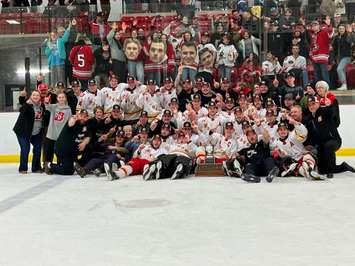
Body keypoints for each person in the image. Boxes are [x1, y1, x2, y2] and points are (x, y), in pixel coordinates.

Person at [304, 96, 355, 178]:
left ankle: (329, 171)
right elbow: (310, 134)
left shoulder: (324, 111)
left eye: (313, 104)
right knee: (322, 170)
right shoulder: (309, 118)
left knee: (328, 146)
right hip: (321, 145)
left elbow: (331, 112)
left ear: (318, 104)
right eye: (309, 105)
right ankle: (343, 166)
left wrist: (330, 105)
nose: (311, 106)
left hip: (334, 140)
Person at [49, 110, 91, 175]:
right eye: (81, 115)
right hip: (63, 150)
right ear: (78, 115)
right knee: (68, 171)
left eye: (85, 116)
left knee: (89, 147)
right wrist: (75, 117)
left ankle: (77, 164)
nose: (83, 118)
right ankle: (49, 165)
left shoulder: (86, 124)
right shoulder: (73, 121)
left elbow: (88, 136)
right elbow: (71, 123)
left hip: (73, 150)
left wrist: (84, 143)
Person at [13, 90, 44, 174]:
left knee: (38, 148)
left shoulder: (42, 106)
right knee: (25, 149)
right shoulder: (27, 105)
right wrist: (23, 98)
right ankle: (23, 168)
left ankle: (36, 168)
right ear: (31, 96)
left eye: (37, 95)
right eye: (33, 95)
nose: (35, 97)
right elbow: (22, 109)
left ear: (40, 97)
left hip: (36, 132)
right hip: (23, 132)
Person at [43, 93, 72, 175]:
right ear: (57, 99)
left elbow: (69, 122)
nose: (61, 98)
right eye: (59, 97)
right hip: (51, 134)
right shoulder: (54, 106)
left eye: (63, 97)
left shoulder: (68, 109)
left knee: (60, 152)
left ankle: (58, 167)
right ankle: (46, 167)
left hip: (61, 136)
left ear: (65, 98)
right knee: (48, 152)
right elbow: (47, 106)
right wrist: (46, 102)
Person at [43, 20, 73, 87]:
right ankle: (54, 91)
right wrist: (50, 49)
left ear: (57, 35)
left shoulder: (60, 41)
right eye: (51, 35)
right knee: (53, 79)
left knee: (61, 79)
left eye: (54, 35)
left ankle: (62, 91)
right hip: (52, 63)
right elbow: (46, 53)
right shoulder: (49, 43)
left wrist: (69, 27)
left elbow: (66, 35)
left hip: (60, 62)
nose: (53, 36)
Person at [332, 24, 355, 90]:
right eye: (340, 28)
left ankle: (344, 84)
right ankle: (345, 85)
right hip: (339, 57)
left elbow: (352, 41)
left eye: (342, 28)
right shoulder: (336, 37)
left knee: (339, 69)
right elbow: (334, 48)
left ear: (345, 29)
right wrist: (334, 58)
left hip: (347, 56)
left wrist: (351, 32)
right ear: (338, 30)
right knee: (343, 70)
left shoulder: (348, 36)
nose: (341, 30)